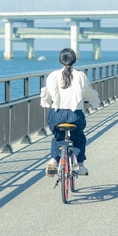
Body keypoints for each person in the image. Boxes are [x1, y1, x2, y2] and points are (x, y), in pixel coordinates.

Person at [40, 48, 101, 177]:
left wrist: (46, 102)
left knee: (58, 137)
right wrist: (95, 103)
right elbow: (89, 93)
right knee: (78, 137)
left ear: (60, 60)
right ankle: (80, 165)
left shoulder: (52, 75)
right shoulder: (80, 75)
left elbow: (47, 94)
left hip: (56, 115)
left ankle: (53, 160)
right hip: (75, 115)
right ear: (75, 60)